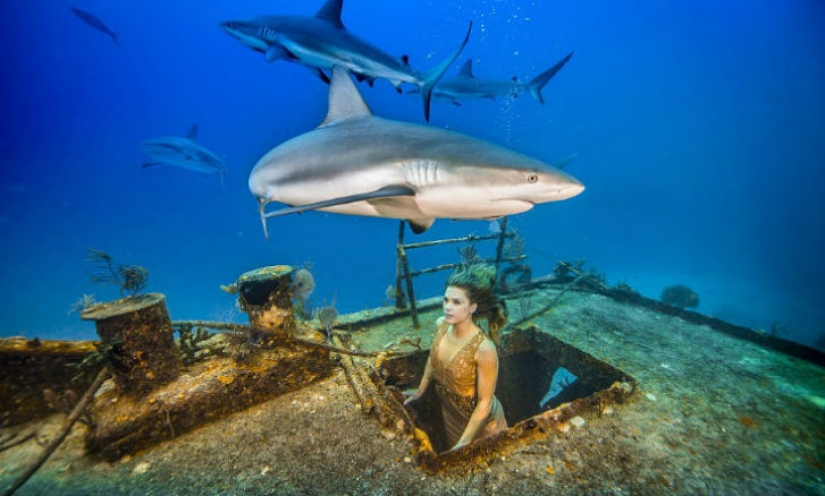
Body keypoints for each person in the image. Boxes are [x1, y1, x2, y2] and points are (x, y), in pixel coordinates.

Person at [404, 264, 508, 451]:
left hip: (483, 426)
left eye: (456, 302)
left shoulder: (484, 348)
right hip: (450, 416)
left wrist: (463, 443)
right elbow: (433, 358)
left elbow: (485, 402)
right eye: (446, 300)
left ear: (473, 307)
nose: (448, 308)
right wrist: (420, 391)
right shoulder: (440, 325)